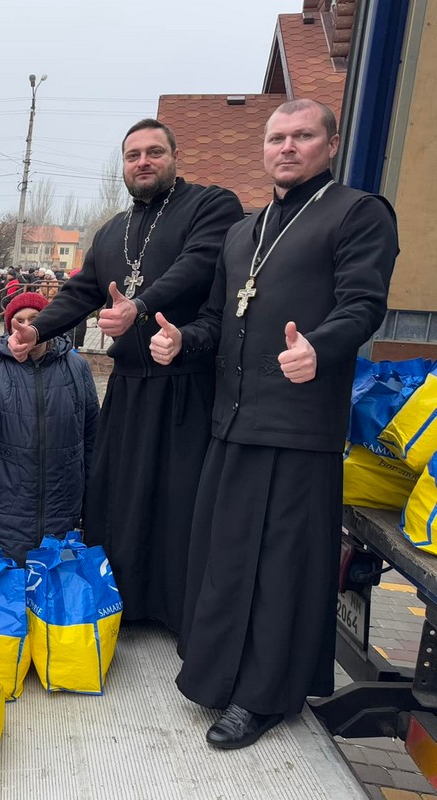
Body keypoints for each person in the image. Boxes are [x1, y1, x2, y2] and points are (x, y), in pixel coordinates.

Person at [150, 99, 398, 748]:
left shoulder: (358, 214)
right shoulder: (245, 230)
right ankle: (215, 677)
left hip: (298, 427)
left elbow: (365, 304)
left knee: (280, 566)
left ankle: (265, 696)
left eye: (302, 136)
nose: (287, 147)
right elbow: (214, 319)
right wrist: (183, 342)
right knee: (226, 560)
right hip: (231, 422)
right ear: (264, 149)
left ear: (330, 144)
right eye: (276, 137)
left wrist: (320, 346)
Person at [10, 118, 244, 636]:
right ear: (123, 165)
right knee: (119, 499)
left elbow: (198, 265)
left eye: (154, 152)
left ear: (174, 157)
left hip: (187, 383)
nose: (143, 162)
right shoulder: (114, 229)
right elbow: (83, 289)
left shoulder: (211, 205)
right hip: (130, 386)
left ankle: (178, 613)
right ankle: (127, 605)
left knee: (179, 502)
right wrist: (36, 328)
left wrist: (139, 305)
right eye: (133, 154)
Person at [0, 292, 98, 563]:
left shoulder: (76, 366)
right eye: (18, 321)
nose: (25, 327)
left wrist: (92, 495)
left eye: (35, 320)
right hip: (3, 505)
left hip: (61, 503)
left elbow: (92, 431)